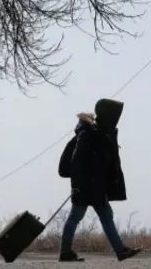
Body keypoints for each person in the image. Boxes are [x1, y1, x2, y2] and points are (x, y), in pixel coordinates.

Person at [59, 98, 141, 262]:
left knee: (104, 215)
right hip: (85, 186)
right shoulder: (88, 134)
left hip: (95, 186)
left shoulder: (100, 133)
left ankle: (120, 250)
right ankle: (65, 252)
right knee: (76, 216)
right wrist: (78, 185)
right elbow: (77, 161)